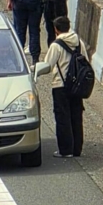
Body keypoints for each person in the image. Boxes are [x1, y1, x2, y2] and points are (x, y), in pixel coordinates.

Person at [38, 16, 86, 158]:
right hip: (77, 86)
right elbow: (86, 60)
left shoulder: (56, 45)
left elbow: (48, 66)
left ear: (56, 29)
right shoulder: (79, 42)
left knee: (62, 117)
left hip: (60, 85)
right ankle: (77, 149)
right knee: (76, 116)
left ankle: (65, 150)